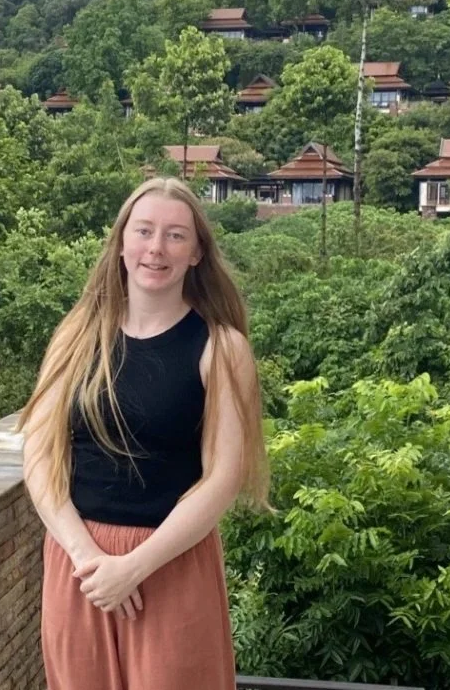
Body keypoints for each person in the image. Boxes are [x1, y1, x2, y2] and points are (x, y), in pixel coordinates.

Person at [17, 176, 270, 690]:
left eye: (176, 235)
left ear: (197, 252)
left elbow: (222, 479)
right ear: (122, 243)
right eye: (144, 231)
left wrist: (133, 567)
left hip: (171, 562)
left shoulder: (221, 349)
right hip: (78, 567)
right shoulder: (76, 336)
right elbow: (40, 459)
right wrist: (91, 561)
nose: (157, 248)